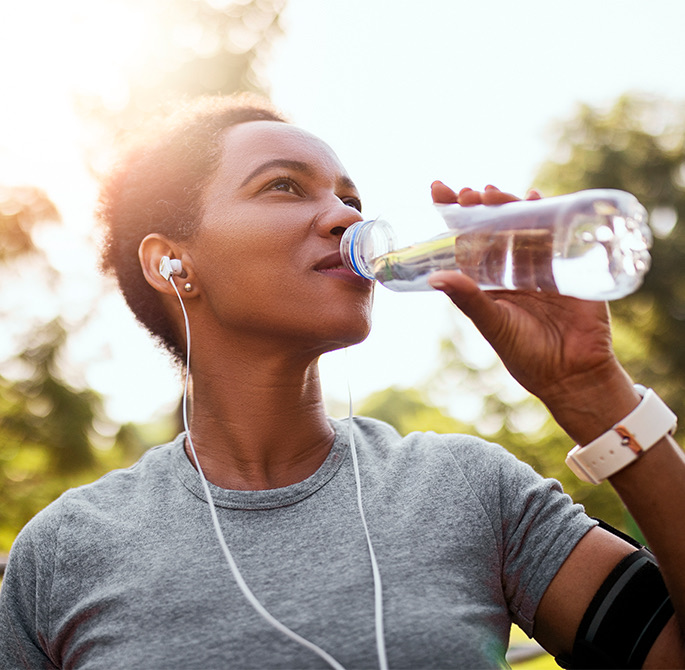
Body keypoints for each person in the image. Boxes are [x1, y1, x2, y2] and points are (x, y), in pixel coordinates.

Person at [1, 92, 683, 669]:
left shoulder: (466, 489)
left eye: (349, 197)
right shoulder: (65, 552)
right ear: (173, 263)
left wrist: (589, 390)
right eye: (283, 186)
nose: (347, 217)